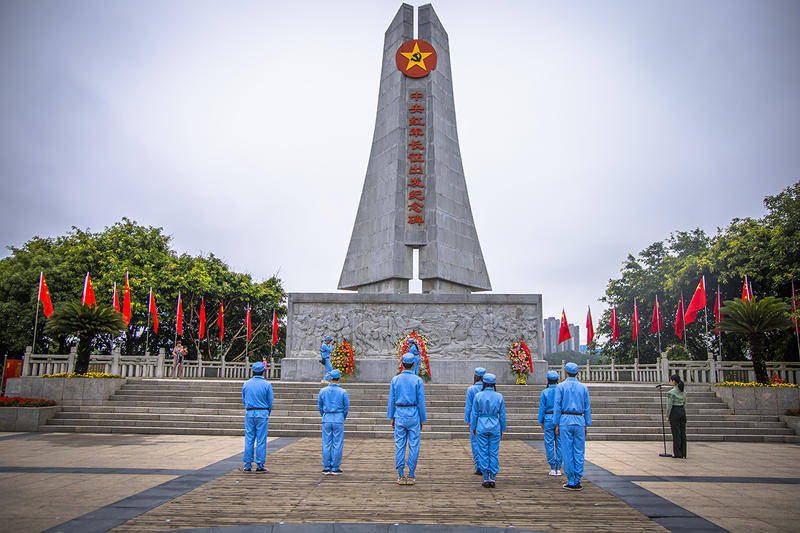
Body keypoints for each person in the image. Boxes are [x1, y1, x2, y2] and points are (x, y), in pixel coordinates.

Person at [387, 352, 426, 485]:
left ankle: (400, 474)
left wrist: (391, 416)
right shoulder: (418, 380)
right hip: (414, 413)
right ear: (414, 364)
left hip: (399, 413)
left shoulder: (395, 379)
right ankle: (412, 474)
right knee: (414, 444)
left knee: (399, 445)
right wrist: (422, 418)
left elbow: (391, 400)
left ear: (401, 364)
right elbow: (421, 401)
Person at [553, 362, 591, 491]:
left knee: (567, 451)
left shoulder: (560, 387)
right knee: (579, 451)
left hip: (565, 419)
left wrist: (556, 423)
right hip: (580, 419)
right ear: (578, 372)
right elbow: (587, 407)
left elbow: (557, 406)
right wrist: (586, 423)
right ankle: (578, 479)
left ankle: (571, 480)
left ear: (565, 372)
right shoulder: (583, 388)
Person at [470, 373, 507, 488]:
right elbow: (503, 415)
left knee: (483, 451)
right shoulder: (499, 396)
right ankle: (493, 477)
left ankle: (486, 478)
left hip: (481, 424)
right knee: (494, 452)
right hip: (495, 424)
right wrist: (502, 428)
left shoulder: (478, 396)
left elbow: (474, 413)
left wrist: (473, 427)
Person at [241, 361, 274, 472]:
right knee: (261, 439)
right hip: (262, 412)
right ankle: (259, 463)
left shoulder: (246, 384)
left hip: (250, 412)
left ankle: (247, 463)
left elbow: (244, 399)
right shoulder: (267, 384)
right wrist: (266, 412)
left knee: (249, 438)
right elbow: (270, 401)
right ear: (263, 371)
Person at [317, 368, 350, 475]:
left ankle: (326, 466)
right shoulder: (343, 392)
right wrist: (342, 416)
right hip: (338, 418)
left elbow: (320, 406)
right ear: (340, 378)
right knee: (337, 443)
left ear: (330, 378)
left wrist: (324, 415)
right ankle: (335, 466)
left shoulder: (323, 391)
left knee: (326, 443)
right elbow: (346, 407)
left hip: (327, 418)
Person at [538, 370, 562, 476]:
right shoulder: (561, 390)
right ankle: (559, 466)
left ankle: (552, 467)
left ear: (547, 380)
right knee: (560, 443)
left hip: (548, 417)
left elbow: (542, 408)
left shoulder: (545, 392)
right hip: (560, 418)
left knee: (549, 443)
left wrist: (541, 420)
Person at [464, 367, 486, 474]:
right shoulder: (487, 389)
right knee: (486, 443)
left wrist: (468, 420)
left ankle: (478, 465)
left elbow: (468, 406)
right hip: (487, 417)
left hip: (474, 418)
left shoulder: (471, 389)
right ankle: (485, 464)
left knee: (475, 442)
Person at [666, 374, 687, 459]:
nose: (670, 382)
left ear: (674, 381)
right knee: (683, 433)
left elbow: (669, 405)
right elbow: (685, 403)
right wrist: (683, 412)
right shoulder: (683, 391)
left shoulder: (671, 392)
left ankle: (677, 453)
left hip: (675, 411)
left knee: (676, 433)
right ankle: (684, 452)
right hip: (682, 411)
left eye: (671, 380)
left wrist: (667, 416)